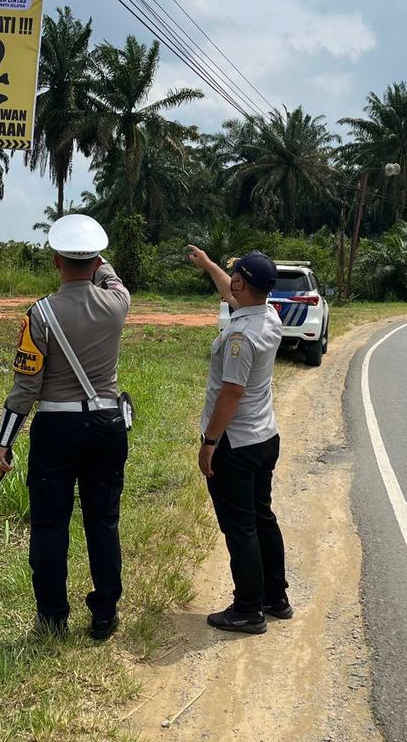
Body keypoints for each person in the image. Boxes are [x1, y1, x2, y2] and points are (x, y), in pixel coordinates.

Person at [0, 214, 131, 641]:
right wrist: (96, 254)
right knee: (103, 522)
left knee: (51, 526)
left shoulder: (40, 315)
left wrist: (5, 441)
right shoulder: (117, 304)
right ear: (95, 262)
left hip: (56, 428)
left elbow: (26, 386)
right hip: (108, 425)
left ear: (55, 261)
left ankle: (53, 617)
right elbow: (110, 277)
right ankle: (104, 613)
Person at [185, 246, 289, 635]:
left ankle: (248, 608)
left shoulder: (241, 338)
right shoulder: (268, 316)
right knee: (262, 518)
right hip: (265, 437)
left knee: (240, 527)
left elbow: (231, 393)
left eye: (235, 277)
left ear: (243, 282)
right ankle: (274, 597)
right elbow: (232, 294)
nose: (231, 285)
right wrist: (210, 265)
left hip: (236, 444)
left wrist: (210, 441)